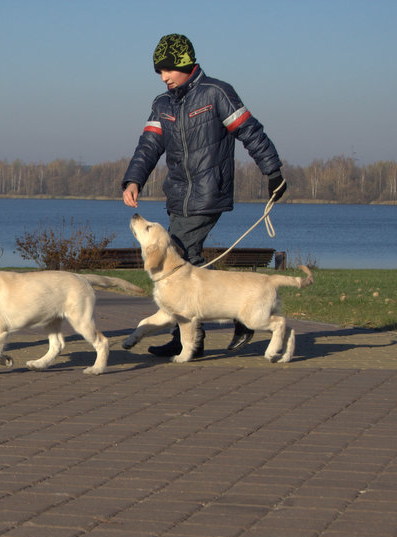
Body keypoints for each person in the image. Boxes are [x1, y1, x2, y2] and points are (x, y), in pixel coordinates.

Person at [121, 33, 286, 358]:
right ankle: (238, 314)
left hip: (210, 192)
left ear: (186, 65)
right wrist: (134, 179)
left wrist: (273, 171)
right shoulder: (162, 104)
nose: (163, 77)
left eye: (168, 70)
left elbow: (250, 131)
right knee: (188, 263)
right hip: (178, 194)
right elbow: (149, 144)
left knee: (177, 254)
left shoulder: (217, 93)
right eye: (159, 72)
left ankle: (192, 339)